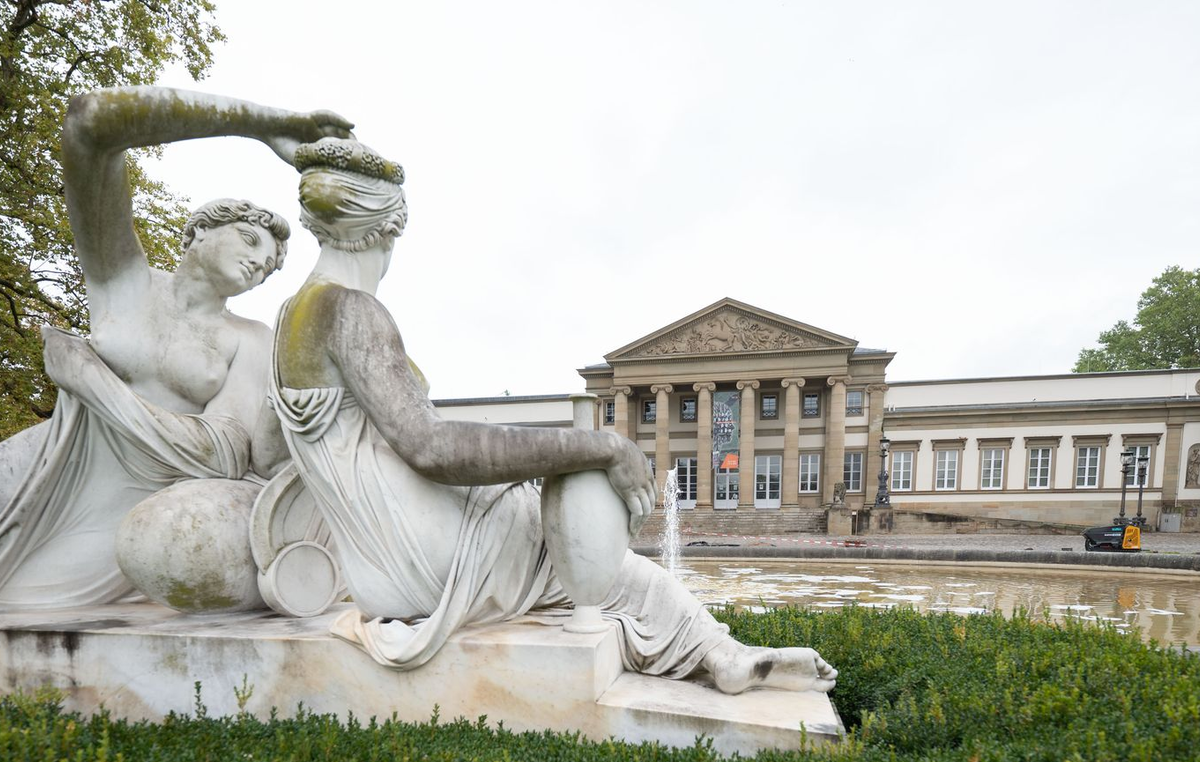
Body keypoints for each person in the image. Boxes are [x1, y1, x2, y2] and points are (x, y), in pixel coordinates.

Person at [270, 137, 837, 695]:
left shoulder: (289, 318)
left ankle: (712, 649)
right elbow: (430, 447)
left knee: (579, 552)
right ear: (390, 226)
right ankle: (718, 651)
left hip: (377, 569)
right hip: (429, 560)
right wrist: (606, 446)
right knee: (595, 542)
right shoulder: (351, 309)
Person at [0, 87, 351, 609]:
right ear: (200, 230)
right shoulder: (124, 282)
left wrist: (97, 387)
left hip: (129, 508)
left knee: (26, 608)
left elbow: (224, 453)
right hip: (47, 464)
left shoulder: (250, 339)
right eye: (250, 240)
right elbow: (88, 126)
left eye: (269, 267)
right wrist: (263, 124)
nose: (259, 265)